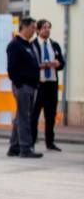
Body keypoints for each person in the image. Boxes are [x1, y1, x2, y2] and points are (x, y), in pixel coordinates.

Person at [6, 17, 43, 158]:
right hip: (23, 86)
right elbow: (11, 68)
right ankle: (25, 148)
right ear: (25, 27)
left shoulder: (27, 44)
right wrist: (19, 83)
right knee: (24, 117)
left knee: (20, 117)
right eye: (33, 27)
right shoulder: (15, 45)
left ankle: (14, 147)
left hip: (31, 85)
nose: (35, 31)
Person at [31, 19, 65, 152]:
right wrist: (42, 65)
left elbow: (62, 62)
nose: (47, 30)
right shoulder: (33, 45)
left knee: (50, 116)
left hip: (51, 84)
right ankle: (32, 141)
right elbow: (31, 64)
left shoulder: (54, 45)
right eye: (44, 28)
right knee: (34, 115)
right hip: (39, 84)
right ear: (38, 30)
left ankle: (50, 142)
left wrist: (58, 64)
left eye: (48, 27)